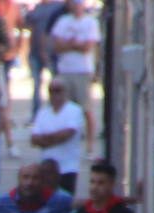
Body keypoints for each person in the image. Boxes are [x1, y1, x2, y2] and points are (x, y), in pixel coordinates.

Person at [50, 0, 99, 152]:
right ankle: (64, 143)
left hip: (82, 70)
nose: (76, 6)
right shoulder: (63, 21)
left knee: (85, 109)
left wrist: (69, 44)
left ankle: (90, 145)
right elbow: (57, 46)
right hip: (65, 70)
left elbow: (88, 46)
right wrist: (75, 45)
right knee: (63, 108)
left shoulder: (90, 22)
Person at [31, 79, 86, 193]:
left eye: (57, 91)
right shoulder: (43, 113)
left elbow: (68, 134)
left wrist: (45, 140)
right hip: (47, 170)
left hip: (67, 168)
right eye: (51, 91)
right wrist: (56, 138)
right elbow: (34, 139)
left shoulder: (74, 110)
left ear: (64, 92)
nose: (54, 95)